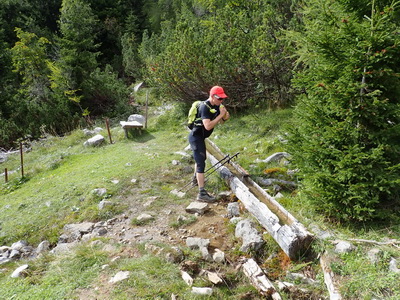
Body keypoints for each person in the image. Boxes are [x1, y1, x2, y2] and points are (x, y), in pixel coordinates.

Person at [188, 85, 230, 202]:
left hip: (201, 137)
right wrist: (221, 115)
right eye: (219, 98)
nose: (221, 101)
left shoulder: (216, 106)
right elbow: (207, 126)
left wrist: (224, 116)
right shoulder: (204, 107)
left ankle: (195, 179)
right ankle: (201, 193)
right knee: (201, 162)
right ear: (212, 96)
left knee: (201, 158)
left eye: (222, 98)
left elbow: (222, 122)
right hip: (196, 137)